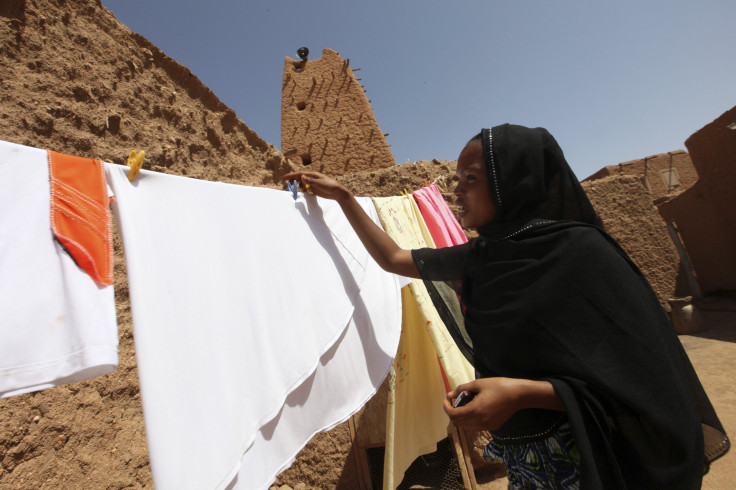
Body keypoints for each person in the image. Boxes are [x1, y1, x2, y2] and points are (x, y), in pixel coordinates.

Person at [284, 123, 728, 489]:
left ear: (512, 181)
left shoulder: (581, 253)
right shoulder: (483, 255)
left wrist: (522, 392)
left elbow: (642, 375)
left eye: (470, 179)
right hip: (526, 459)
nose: (457, 191)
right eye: (457, 179)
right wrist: (342, 197)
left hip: (598, 458)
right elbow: (394, 259)